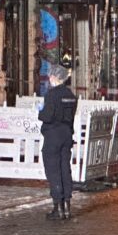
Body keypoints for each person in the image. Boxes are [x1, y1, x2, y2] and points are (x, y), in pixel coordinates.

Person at [38, 64, 78, 220]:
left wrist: (40, 111)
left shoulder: (52, 95)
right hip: (66, 134)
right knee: (64, 168)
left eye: (50, 76)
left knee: (53, 170)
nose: (49, 79)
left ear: (55, 77)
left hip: (53, 135)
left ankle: (58, 206)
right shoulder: (70, 95)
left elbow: (47, 116)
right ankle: (67, 205)